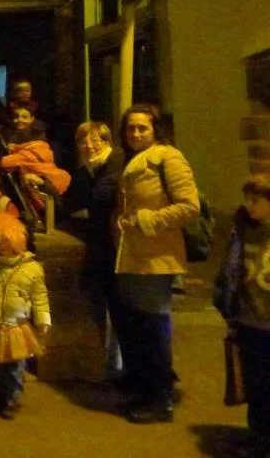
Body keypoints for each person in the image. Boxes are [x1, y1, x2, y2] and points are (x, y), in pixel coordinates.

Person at [113, 103, 200, 424]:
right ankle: (146, 388)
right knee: (139, 325)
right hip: (134, 255)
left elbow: (189, 206)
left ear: (155, 130)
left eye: (142, 128)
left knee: (153, 327)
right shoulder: (133, 159)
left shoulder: (168, 157)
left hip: (156, 256)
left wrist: (146, 220)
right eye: (131, 128)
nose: (135, 133)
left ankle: (161, 398)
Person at [63, 121, 125, 378]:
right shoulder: (87, 170)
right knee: (103, 303)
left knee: (121, 307)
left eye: (95, 140)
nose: (88, 146)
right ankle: (107, 363)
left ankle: (119, 365)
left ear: (107, 141)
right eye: (82, 142)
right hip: (100, 245)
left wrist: (87, 206)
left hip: (119, 247)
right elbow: (69, 203)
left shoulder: (116, 165)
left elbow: (100, 198)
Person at [214, 174, 270, 458]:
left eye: (256, 201)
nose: (250, 206)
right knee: (254, 382)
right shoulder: (243, 228)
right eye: (247, 199)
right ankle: (258, 435)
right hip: (249, 318)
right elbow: (231, 270)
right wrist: (228, 305)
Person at [0, 211, 51, 419]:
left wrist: (43, 320)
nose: (0, 246)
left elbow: (40, 297)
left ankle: (12, 397)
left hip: (16, 325)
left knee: (15, 365)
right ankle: (1, 393)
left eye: (4, 241)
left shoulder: (32, 269)